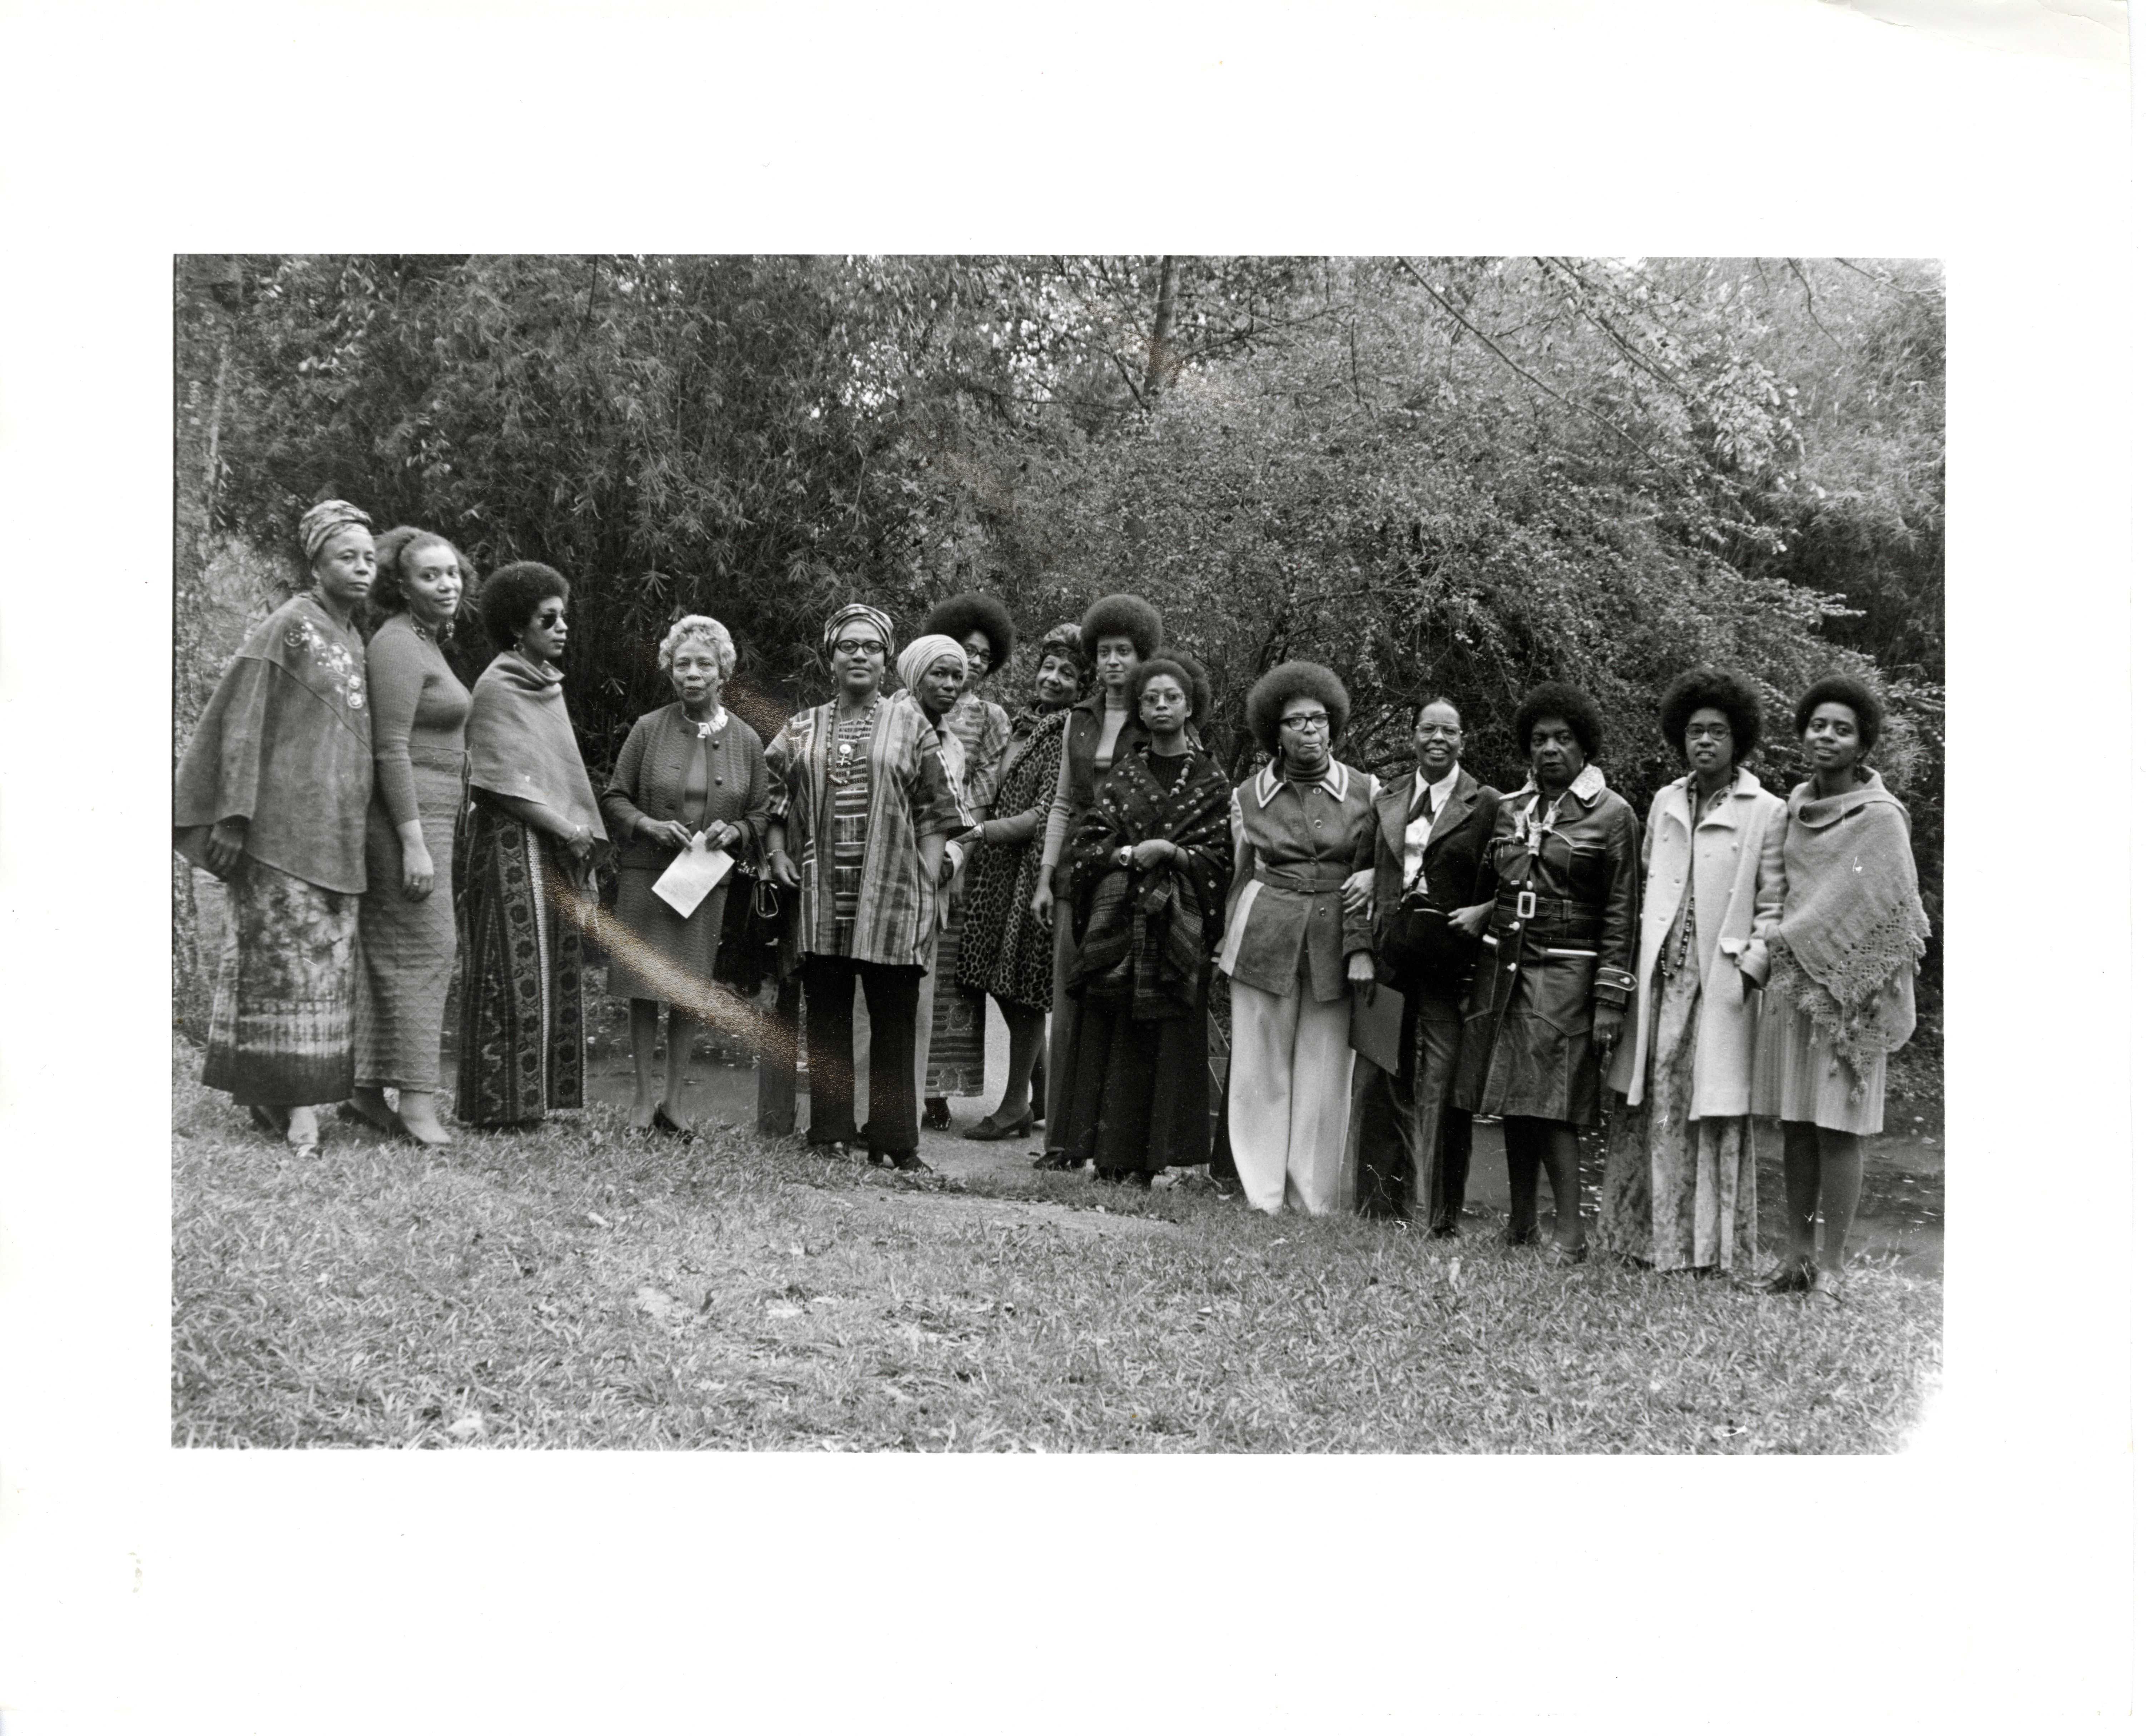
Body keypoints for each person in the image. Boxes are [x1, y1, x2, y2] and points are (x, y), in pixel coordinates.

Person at [174, 499, 378, 1160]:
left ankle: (275, 1093)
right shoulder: (291, 625)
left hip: (336, 828)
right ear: (316, 562)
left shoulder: (353, 636)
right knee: (283, 966)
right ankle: (299, 1110)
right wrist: (234, 814)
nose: (362, 568)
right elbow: (243, 713)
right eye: (347, 557)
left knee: (323, 967)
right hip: (279, 827)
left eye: (370, 558)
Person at [1746, 674, 1928, 1302]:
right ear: (1802, 733)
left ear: (1862, 743)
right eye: (1817, 725)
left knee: (1839, 1128)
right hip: (1797, 986)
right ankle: (1794, 1257)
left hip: (1854, 997)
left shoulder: (1880, 819)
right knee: (1797, 1122)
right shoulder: (1792, 809)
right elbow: (1790, 892)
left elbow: (1889, 910)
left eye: (1841, 728)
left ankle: (1832, 1266)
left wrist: (1857, 978)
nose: (1826, 736)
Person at [764, 605, 966, 1171]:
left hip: (892, 896)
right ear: (829, 658)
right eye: (848, 646)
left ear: (885, 661)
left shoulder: (911, 725)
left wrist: (925, 882)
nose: (859, 655)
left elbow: (938, 811)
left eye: (871, 647)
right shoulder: (801, 726)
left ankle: (894, 1141)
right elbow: (774, 799)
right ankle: (829, 1132)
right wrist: (777, 852)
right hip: (822, 893)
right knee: (827, 1012)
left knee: (894, 1017)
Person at [1598, 668, 1786, 1274]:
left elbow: (1773, 902)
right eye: (1694, 731)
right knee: (1650, 1098)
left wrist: (1751, 967)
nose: (1704, 741)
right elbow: (1650, 879)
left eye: (1717, 732)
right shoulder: (1664, 800)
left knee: (1708, 1107)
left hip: (1719, 982)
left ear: (1739, 740)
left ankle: (1707, 1249)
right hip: (1660, 976)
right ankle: (1643, 1241)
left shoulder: (1766, 810)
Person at [1452, 682, 1640, 1261]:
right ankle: (1520, 1224)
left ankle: (1571, 1233)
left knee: (1554, 1101)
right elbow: (1498, 885)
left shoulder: (1612, 814)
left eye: (1562, 739)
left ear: (1584, 746)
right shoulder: (1512, 808)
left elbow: (1621, 911)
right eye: (1538, 740)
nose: (1550, 749)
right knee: (1511, 1093)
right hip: (1507, 963)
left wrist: (1610, 997)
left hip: (1568, 970)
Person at [1059, 654, 1234, 1184]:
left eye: (1171, 698)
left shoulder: (1212, 780)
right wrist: (1124, 857)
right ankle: (1109, 1156)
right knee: (1112, 1033)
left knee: (1163, 1038)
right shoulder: (1124, 774)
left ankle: (1153, 1159)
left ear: (1190, 706)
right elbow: (1088, 842)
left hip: (1174, 927)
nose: (1160, 706)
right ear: (1138, 707)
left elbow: (1221, 858)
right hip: (1120, 929)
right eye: (1150, 698)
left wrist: (1174, 856)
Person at [1219, 661, 1381, 1215]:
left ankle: (1313, 1197)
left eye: (1317, 719)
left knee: (1324, 1065)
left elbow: (1382, 864)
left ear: (1333, 726)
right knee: (1260, 1064)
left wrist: (1373, 879)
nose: (1308, 730)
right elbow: (1239, 873)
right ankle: (1262, 1194)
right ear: (1275, 732)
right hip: (1264, 933)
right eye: (1294, 721)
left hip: (1337, 940)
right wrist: (1226, 944)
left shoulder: (1367, 790)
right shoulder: (1247, 796)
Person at [599, 615, 769, 1137]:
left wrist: (736, 831)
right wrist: (647, 824)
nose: (691, 673)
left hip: (703, 883)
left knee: (688, 988)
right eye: (681, 663)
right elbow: (614, 796)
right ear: (669, 671)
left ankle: (674, 1103)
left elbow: (762, 814)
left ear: (723, 671)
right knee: (644, 986)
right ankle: (641, 1099)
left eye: (703, 663)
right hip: (647, 876)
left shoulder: (746, 741)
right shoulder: (649, 729)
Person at [454, 562, 606, 1128]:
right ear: (518, 626)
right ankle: (499, 1104)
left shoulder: (543, 680)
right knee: (511, 967)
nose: (563, 627)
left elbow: (555, 772)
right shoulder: (499, 683)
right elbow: (497, 781)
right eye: (549, 618)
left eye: (564, 615)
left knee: (552, 965)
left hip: (547, 844)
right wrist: (566, 828)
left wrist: (570, 835)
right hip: (509, 842)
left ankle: (540, 1100)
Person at [1340, 693, 1498, 1231]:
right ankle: (1378, 1208)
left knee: (1442, 1088)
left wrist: (1488, 910)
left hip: (1448, 966)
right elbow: (1359, 881)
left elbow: (1511, 878)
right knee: (1380, 1080)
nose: (1437, 739)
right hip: (1388, 959)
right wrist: (1359, 949)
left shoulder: (1487, 805)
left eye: (1448, 731)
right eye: (1427, 729)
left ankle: (1438, 1216)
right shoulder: (1387, 799)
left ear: (1462, 741)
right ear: (1412, 736)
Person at [344, 526, 472, 1147]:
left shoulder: (426, 642)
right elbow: (389, 747)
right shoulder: (396, 644)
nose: (446, 584)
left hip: (433, 821)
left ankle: (366, 1092)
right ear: (402, 584)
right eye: (430, 575)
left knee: (394, 952)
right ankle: (417, 1103)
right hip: (405, 824)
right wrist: (413, 841)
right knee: (430, 949)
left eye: (452, 574)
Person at [1029, 592, 1164, 1167]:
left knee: (1120, 1004)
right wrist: (1044, 878)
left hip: (1129, 875)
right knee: (1068, 1003)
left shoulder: (1159, 714)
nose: (1114, 663)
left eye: (1125, 652)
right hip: (1074, 877)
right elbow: (1061, 804)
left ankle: (1110, 1140)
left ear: (1142, 657)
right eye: (1105, 652)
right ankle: (1059, 1140)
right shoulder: (1077, 720)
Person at [953, 622, 1086, 1139]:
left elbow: (1042, 812)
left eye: (1067, 673)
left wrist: (976, 832)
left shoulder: (1068, 730)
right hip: (1001, 869)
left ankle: (1014, 1107)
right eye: (1048, 667)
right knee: (1000, 982)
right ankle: (1044, 1090)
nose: (1053, 679)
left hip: (1033, 866)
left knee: (1022, 989)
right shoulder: (1025, 723)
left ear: (1083, 684)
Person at [916, 592, 1015, 1126]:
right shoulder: (906, 708)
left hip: (964, 855)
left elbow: (983, 791)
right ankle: (895, 1077)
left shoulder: (992, 717)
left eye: (983, 655)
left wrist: (958, 850)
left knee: (952, 975)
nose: (973, 663)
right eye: (965, 650)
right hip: (908, 850)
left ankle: (938, 1093)